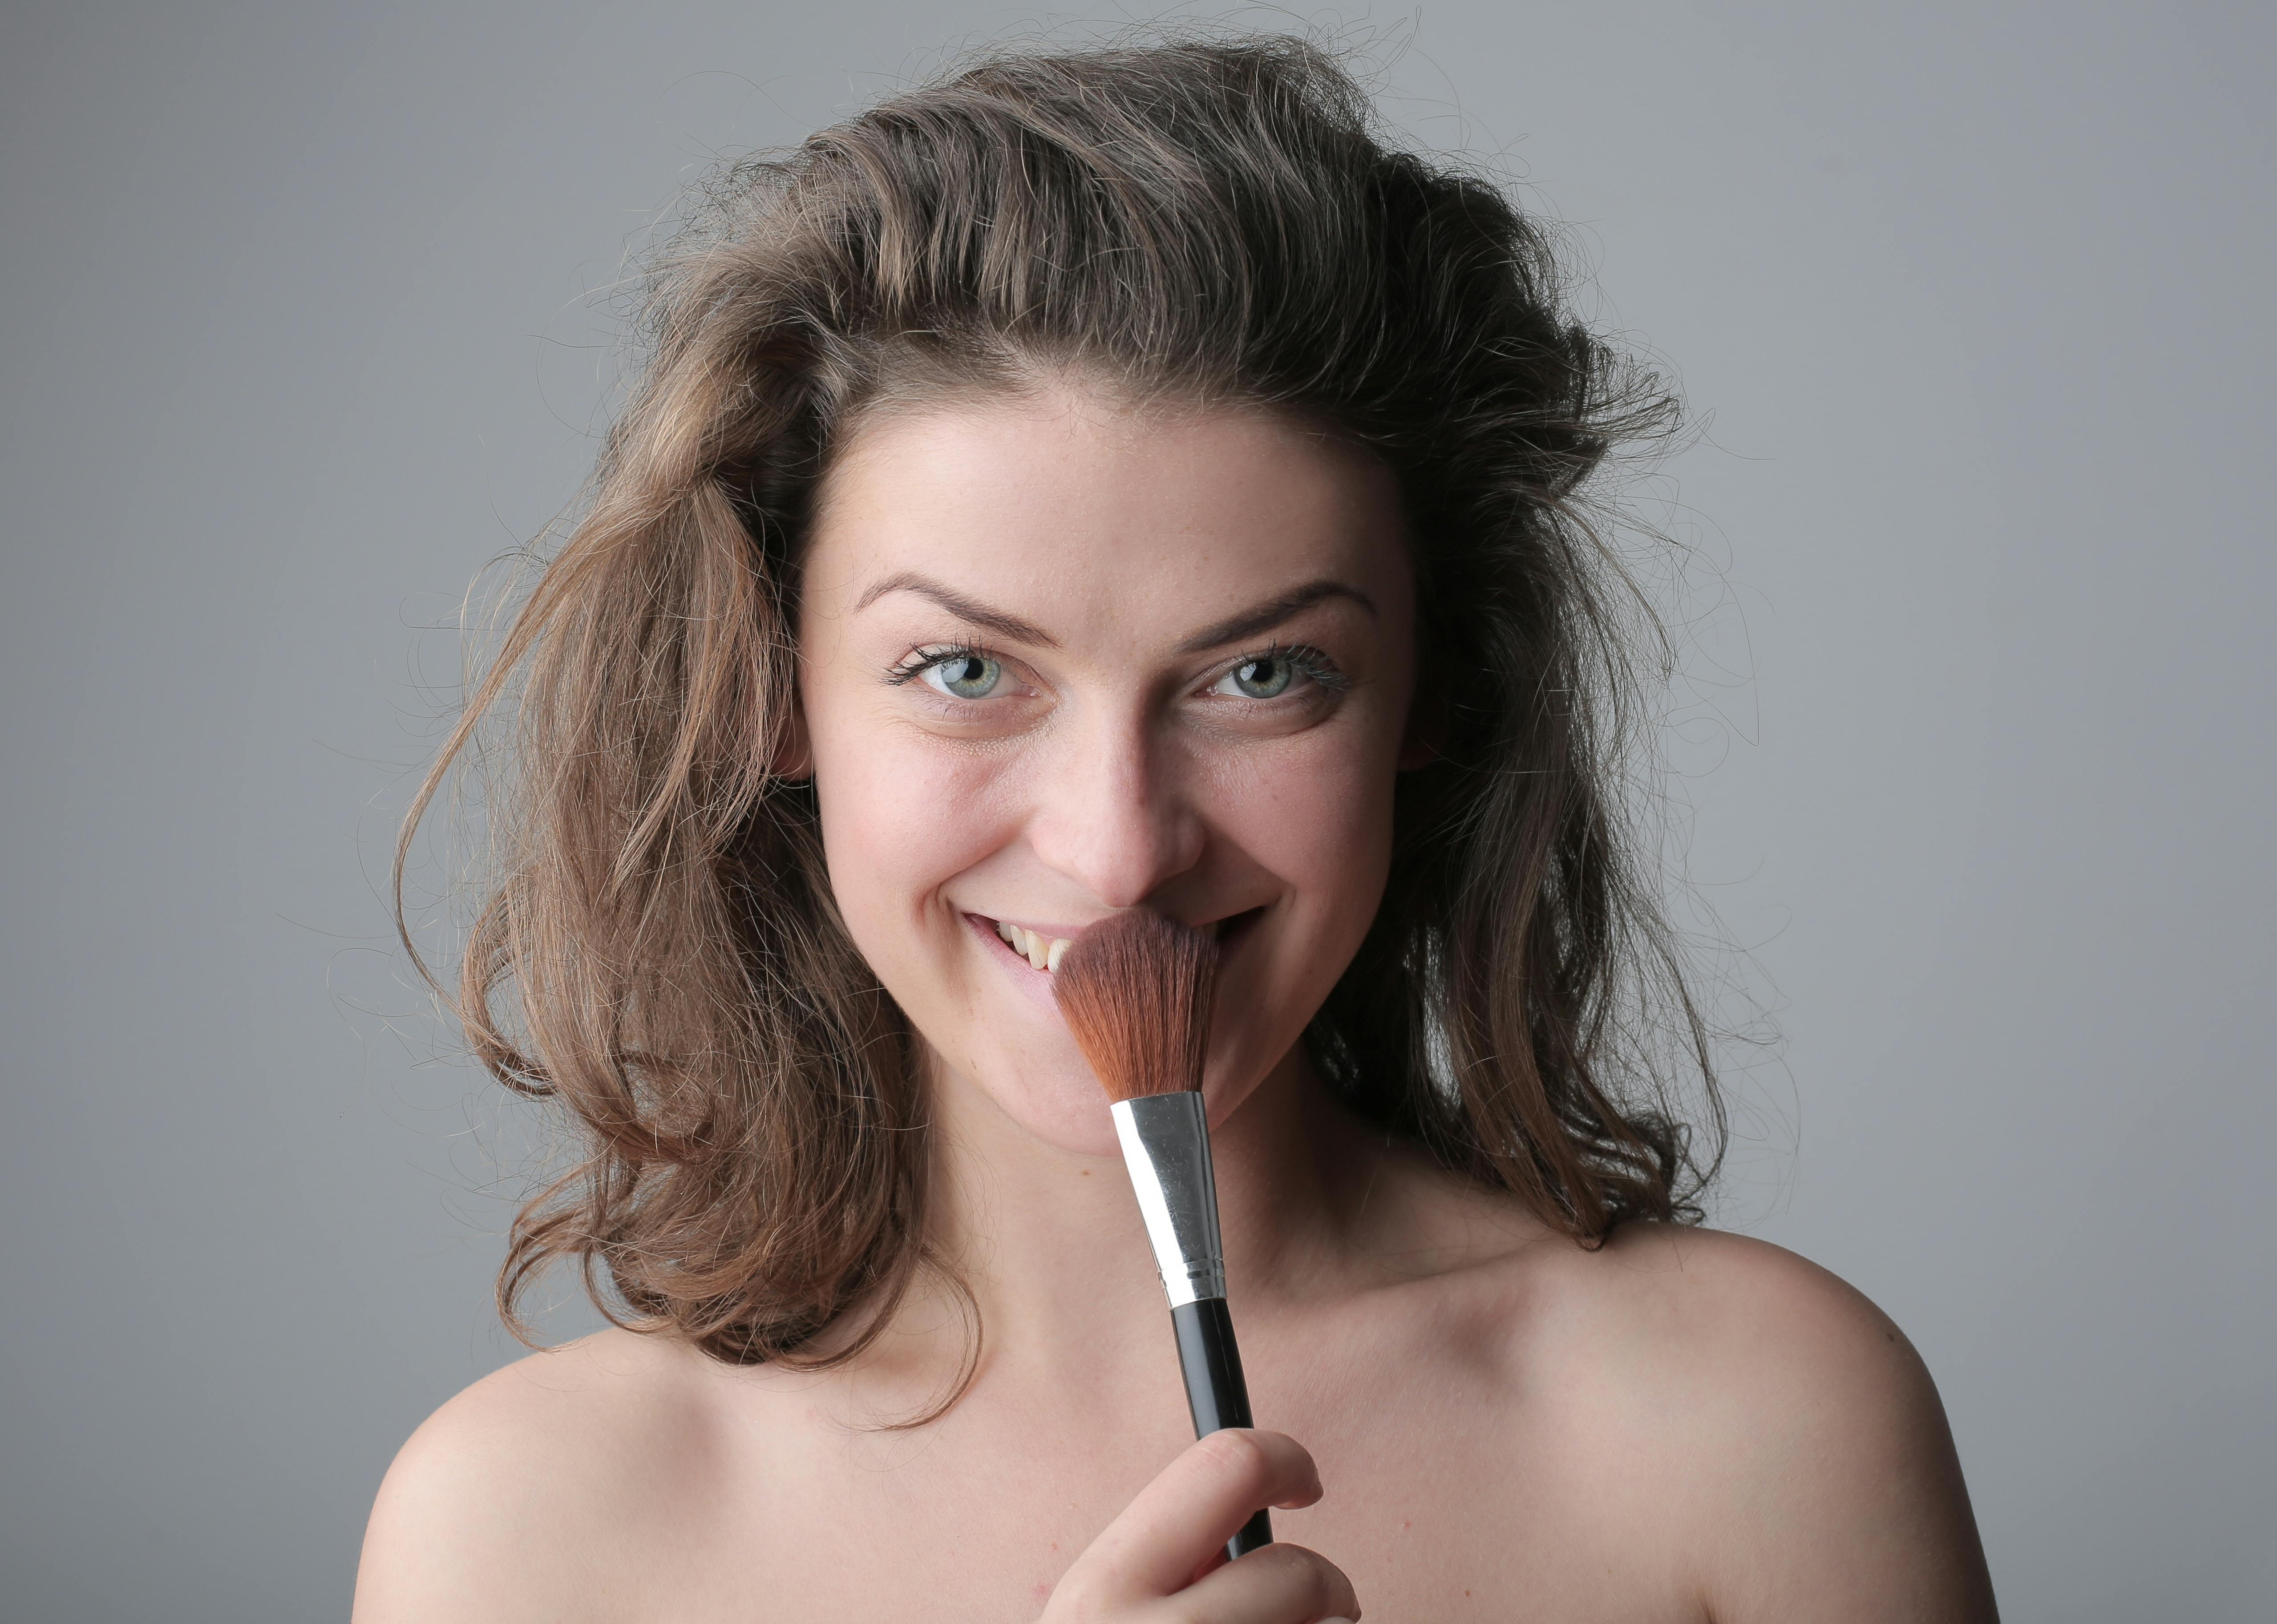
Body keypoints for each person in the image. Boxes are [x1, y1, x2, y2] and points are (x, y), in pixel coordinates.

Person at [354, 36, 1998, 1623]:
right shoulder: (527, 1530)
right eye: (966, 667)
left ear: (1436, 694)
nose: (1121, 846)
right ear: (770, 695)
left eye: (1263, 672)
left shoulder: (1760, 1427)